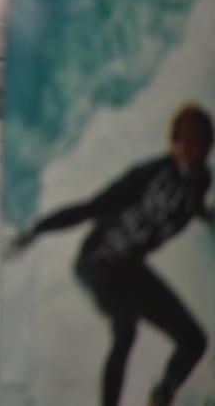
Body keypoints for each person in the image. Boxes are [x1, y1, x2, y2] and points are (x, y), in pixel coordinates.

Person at [11, 104, 213, 406]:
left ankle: (160, 397)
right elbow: (91, 207)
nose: (188, 150)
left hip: (130, 268)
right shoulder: (147, 176)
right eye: (182, 141)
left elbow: (191, 204)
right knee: (126, 330)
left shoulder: (201, 182)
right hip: (97, 262)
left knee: (194, 341)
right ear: (173, 143)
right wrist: (37, 229)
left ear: (208, 147)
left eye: (197, 142)